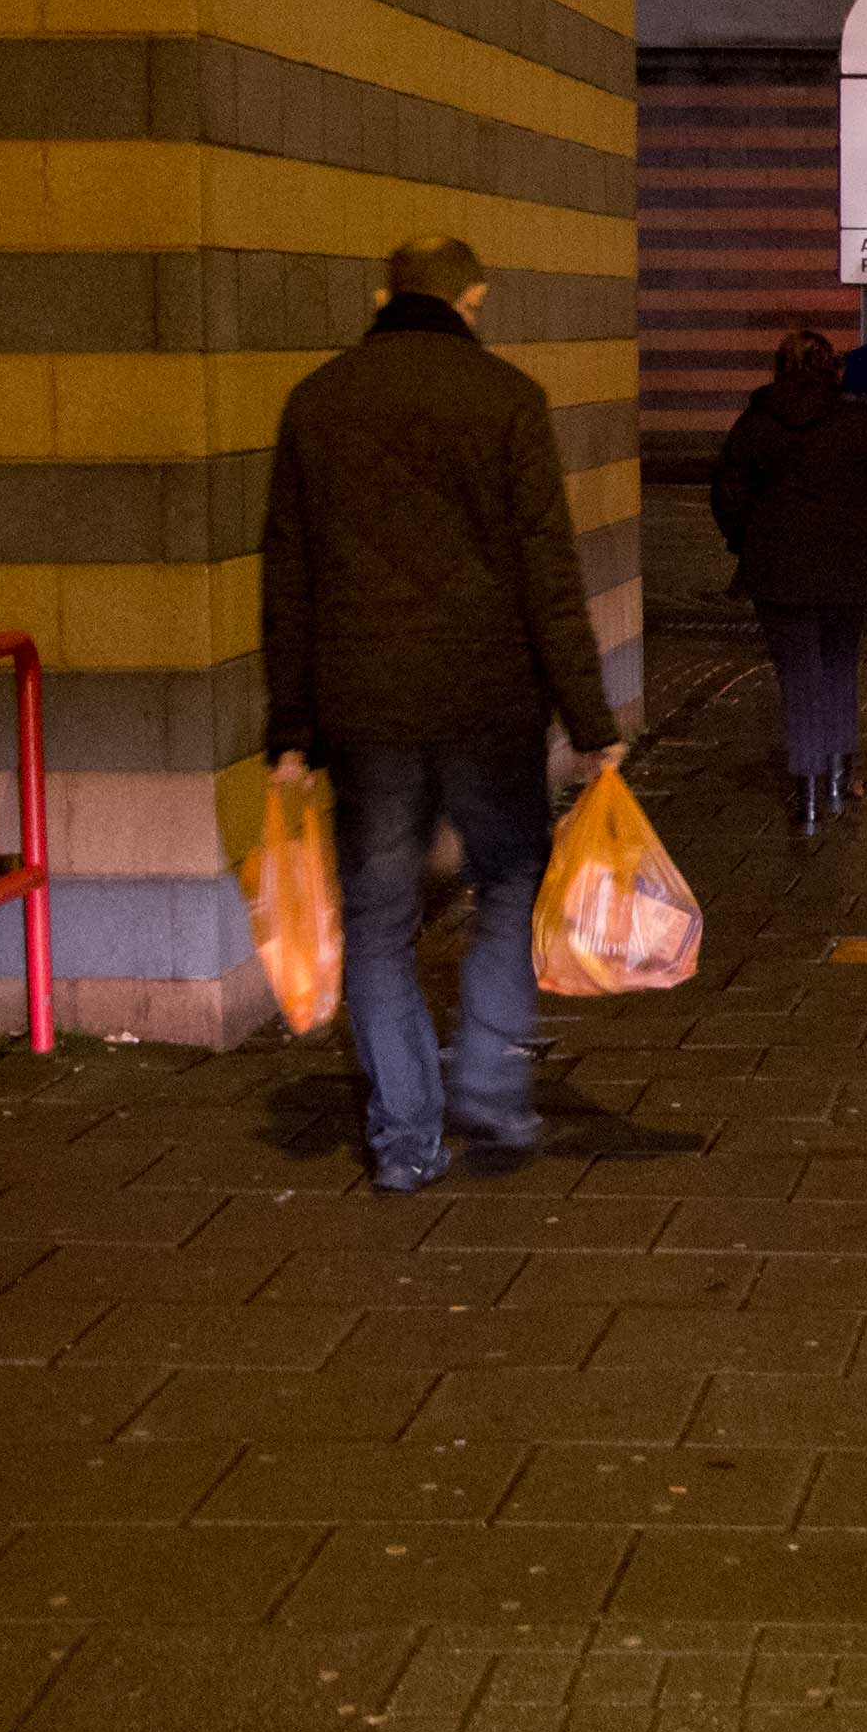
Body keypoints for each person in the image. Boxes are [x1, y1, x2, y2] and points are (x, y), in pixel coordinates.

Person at [261, 235, 621, 1194]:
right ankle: (493, 1083)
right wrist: (591, 724)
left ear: (383, 295)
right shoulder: (506, 400)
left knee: (378, 923)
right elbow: (548, 574)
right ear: (474, 296)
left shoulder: (317, 402)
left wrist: (289, 727)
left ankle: (407, 1141)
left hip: (365, 712)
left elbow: (288, 578)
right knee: (508, 883)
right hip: (489, 704)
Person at [711, 329, 867, 833]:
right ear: (834, 370)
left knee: (798, 676)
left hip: (779, 571)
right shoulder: (861, 424)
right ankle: (840, 781)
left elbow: (727, 497)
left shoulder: (755, 425)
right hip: (850, 568)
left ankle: (806, 797)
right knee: (841, 665)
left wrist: (749, 543)